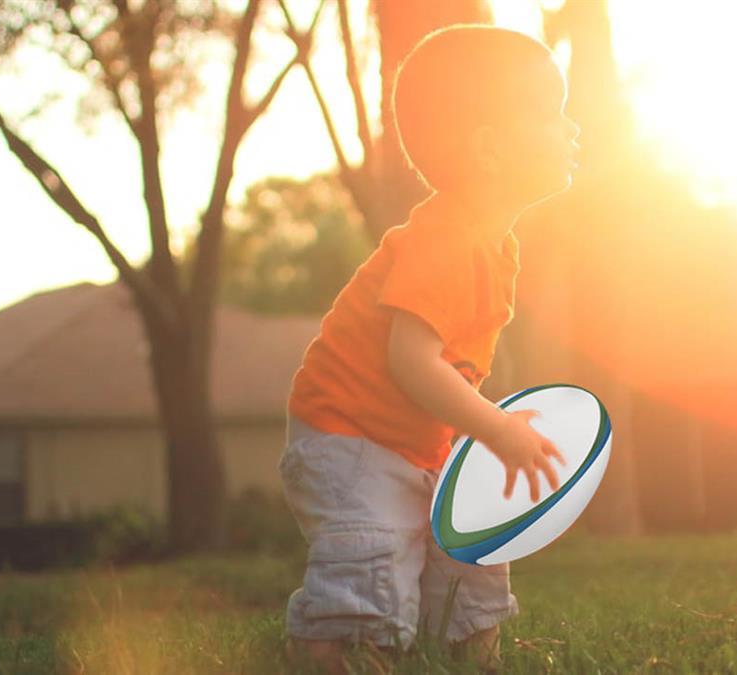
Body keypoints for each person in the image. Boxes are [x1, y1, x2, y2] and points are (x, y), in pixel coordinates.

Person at [279, 23, 580, 674]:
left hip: (409, 435)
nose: (571, 128)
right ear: (491, 150)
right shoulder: (447, 238)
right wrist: (496, 427)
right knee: (374, 551)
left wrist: (479, 427)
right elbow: (410, 362)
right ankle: (339, 648)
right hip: (349, 432)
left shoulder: (494, 244)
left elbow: (448, 370)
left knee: (470, 537)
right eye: (553, 113)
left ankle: (473, 650)